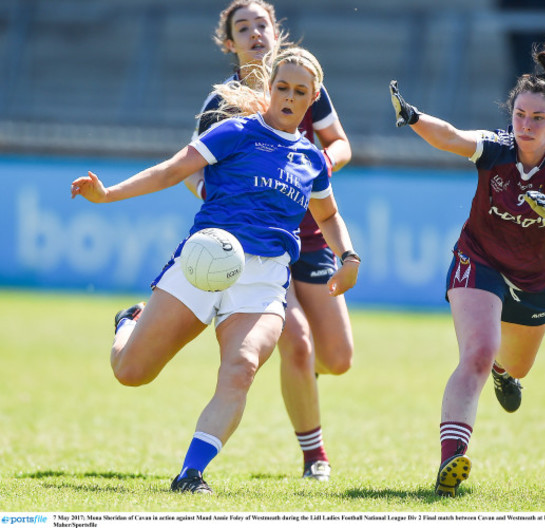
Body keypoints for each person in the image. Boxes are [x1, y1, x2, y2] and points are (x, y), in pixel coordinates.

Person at [70, 46, 361, 494]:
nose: (287, 96)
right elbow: (173, 171)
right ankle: (130, 321)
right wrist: (108, 195)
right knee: (131, 373)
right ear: (268, 88)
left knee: (242, 366)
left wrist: (349, 257)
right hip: (203, 259)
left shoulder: (312, 159)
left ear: (313, 98)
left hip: (264, 281)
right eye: (281, 86)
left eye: (299, 91)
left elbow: (328, 216)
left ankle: (191, 473)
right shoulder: (236, 131)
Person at [390, 39, 545, 497]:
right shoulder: (498, 148)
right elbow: (454, 137)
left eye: (538, 118)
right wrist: (414, 117)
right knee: (476, 353)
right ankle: (450, 462)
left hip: (536, 281)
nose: (526, 125)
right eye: (520, 115)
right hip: (478, 259)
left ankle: (505, 372)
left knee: (513, 363)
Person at [184, 0, 354, 482]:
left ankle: (299, 378)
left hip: (312, 237)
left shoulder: (301, 81)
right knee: (296, 343)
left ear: (276, 31)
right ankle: (314, 457)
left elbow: (340, 143)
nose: (255, 33)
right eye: (243, 28)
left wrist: (312, 168)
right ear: (229, 43)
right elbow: (190, 173)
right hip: (257, 247)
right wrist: (225, 198)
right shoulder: (222, 103)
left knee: (337, 358)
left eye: (262, 24)